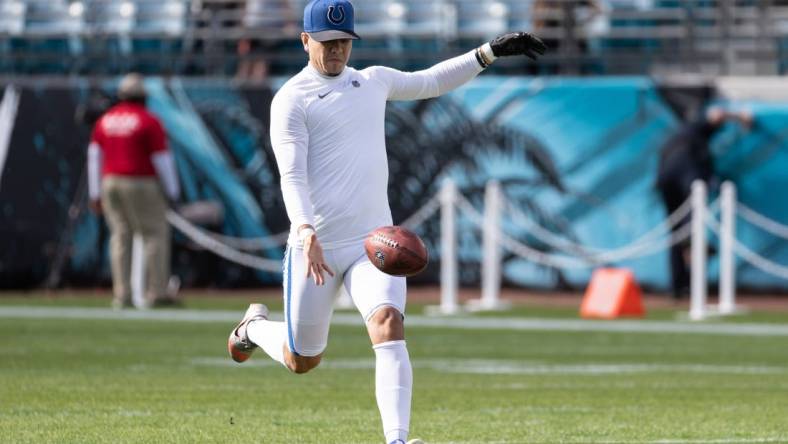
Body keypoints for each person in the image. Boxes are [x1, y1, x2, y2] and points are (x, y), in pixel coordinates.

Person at [226, 1, 545, 443]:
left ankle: (397, 439)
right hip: (314, 245)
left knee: (388, 324)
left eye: (343, 42)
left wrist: (487, 52)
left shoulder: (371, 81)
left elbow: (431, 81)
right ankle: (252, 328)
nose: (336, 51)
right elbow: (292, 175)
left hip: (370, 242)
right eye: (326, 42)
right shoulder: (290, 100)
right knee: (302, 360)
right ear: (305, 41)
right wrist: (304, 229)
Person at [87, 73, 181, 309]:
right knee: (154, 234)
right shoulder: (149, 120)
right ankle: (156, 292)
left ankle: (122, 294)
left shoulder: (105, 120)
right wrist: (173, 191)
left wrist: (95, 193)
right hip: (141, 181)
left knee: (120, 236)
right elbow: (162, 159)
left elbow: (94, 158)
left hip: (111, 182)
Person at [656, 106, 752, 300]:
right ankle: (691, 274)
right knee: (689, 232)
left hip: (665, 178)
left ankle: (679, 286)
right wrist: (739, 116)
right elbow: (716, 114)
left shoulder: (678, 136)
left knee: (677, 234)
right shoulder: (697, 127)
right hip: (687, 178)